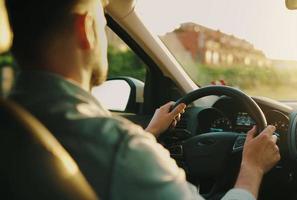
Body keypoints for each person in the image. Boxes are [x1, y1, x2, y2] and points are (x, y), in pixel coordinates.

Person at [5, 0, 280, 199]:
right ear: (86, 29)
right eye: (103, 24)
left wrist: (149, 133)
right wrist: (251, 168)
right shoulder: (119, 148)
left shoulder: (14, 120)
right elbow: (116, 158)